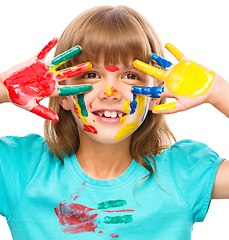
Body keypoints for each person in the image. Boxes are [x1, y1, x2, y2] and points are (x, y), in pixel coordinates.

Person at [0, 5, 228, 240]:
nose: (110, 92)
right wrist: (3, 88)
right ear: (64, 94)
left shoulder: (181, 174)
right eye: (91, 74)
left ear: (155, 95)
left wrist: (219, 92)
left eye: (131, 76)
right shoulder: (23, 169)